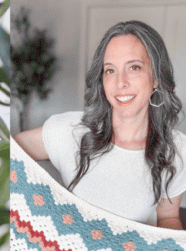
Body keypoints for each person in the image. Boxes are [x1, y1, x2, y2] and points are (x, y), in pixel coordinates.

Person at [13, 20, 186, 229]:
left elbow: (167, 217)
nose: (120, 83)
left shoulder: (176, 150)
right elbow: (6, 152)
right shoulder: (70, 130)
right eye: (110, 70)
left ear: (156, 78)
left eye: (134, 67)